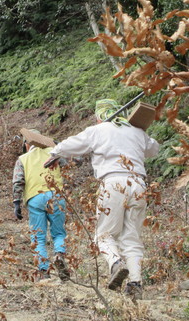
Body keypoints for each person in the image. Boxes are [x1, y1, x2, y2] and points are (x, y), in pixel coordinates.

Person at [45, 99, 159, 299]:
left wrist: (55, 153)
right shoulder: (136, 131)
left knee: (104, 235)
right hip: (139, 185)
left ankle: (116, 263)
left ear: (99, 116)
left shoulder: (98, 130)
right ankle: (135, 283)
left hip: (112, 182)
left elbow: (74, 143)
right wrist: (138, 130)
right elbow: (153, 149)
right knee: (131, 238)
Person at [12, 130, 70, 281]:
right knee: (58, 232)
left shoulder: (22, 159)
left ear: (26, 144)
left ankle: (44, 272)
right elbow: (68, 163)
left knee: (38, 237)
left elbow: (18, 182)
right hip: (55, 196)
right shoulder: (53, 153)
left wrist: (16, 203)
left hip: (35, 198)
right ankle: (59, 255)